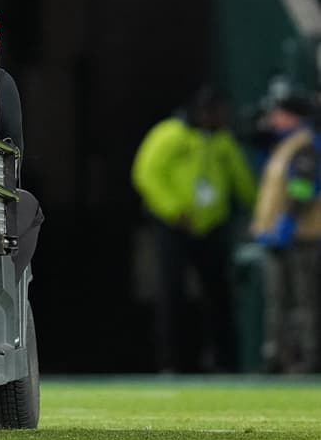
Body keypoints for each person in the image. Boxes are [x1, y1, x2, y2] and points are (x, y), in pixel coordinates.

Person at [131, 86, 258, 372]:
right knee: (170, 294)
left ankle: (227, 362)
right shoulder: (170, 134)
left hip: (211, 227)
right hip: (174, 227)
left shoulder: (222, 141)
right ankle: (172, 362)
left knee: (219, 295)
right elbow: (146, 174)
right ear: (203, 111)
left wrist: (257, 211)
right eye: (218, 113)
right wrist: (174, 210)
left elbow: (241, 178)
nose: (223, 118)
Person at [250, 94, 321, 373]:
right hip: (279, 237)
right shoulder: (284, 145)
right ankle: (277, 357)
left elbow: (303, 188)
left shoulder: (305, 145)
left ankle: (310, 357)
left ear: (294, 116)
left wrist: (286, 226)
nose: (274, 119)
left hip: (302, 237)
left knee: (305, 301)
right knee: (278, 302)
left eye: (279, 113)